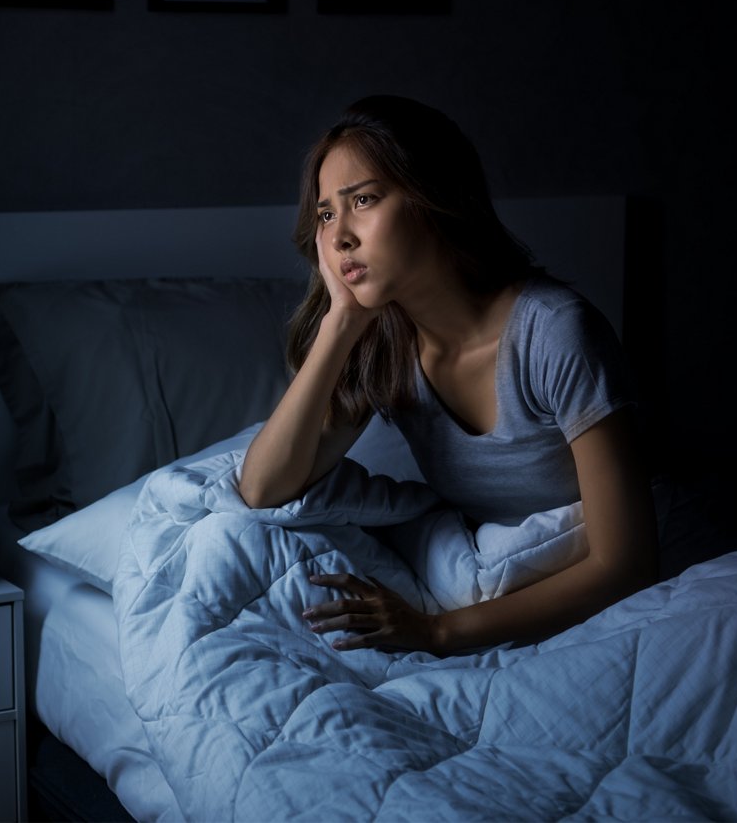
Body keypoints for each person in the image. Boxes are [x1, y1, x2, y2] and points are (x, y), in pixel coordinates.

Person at [238, 95, 658, 656]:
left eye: (363, 199)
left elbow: (626, 563)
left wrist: (437, 632)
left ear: (432, 198)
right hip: (496, 584)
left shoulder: (555, 332)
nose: (339, 237)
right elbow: (264, 488)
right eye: (325, 214)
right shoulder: (384, 343)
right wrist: (340, 322)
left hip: (607, 589)